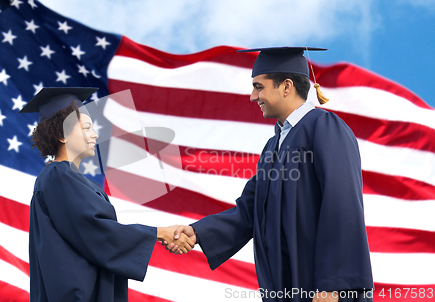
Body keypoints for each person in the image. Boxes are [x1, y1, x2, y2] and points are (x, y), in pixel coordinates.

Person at [172, 47, 374, 302]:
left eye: (259, 86)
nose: (252, 96)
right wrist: (199, 232)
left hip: (322, 289)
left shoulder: (324, 127)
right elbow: (248, 209)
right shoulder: (273, 145)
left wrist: (333, 285)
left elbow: (342, 204)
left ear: (286, 86)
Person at [19, 87, 194, 302]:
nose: (95, 134)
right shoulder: (58, 176)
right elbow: (96, 231)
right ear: (61, 134)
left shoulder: (73, 180)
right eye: (86, 127)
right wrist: (159, 233)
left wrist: (160, 234)